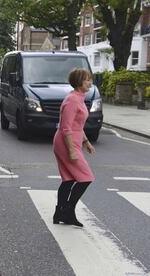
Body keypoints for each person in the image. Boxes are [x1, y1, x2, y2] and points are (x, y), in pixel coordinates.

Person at [52, 68, 96, 227]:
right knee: (86, 177)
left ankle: (59, 213)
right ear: (78, 82)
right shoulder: (72, 100)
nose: (90, 82)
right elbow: (66, 127)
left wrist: (86, 142)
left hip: (73, 141)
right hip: (66, 143)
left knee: (69, 179)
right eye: (86, 80)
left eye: (90, 79)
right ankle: (68, 212)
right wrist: (71, 150)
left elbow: (78, 125)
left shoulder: (78, 98)